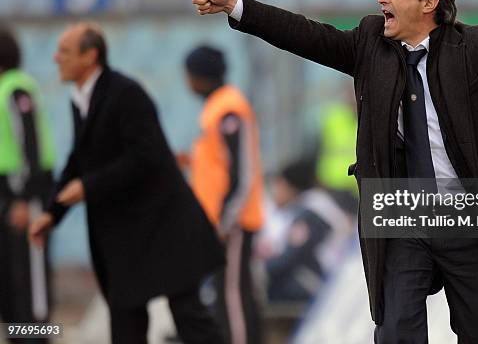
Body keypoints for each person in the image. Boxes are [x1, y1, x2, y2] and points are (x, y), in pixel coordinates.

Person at [181, 0, 478, 343]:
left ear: (429, 2)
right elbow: (302, 33)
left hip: (470, 218)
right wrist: (235, 4)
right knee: (396, 331)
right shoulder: (368, 43)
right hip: (403, 217)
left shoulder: (472, 47)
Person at [28, 23, 225, 344]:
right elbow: (78, 161)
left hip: (163, 226)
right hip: (124, 236)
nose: (55, 58)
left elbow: (146, 157)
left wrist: (89, 187)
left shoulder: (125, 93)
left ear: (90, 56)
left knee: (189, 316)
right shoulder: (81, 98)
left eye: (64, 52)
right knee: (126, 321)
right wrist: (53, 213)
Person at [181, 45, 264, 344]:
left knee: (232, 296)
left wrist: (225, 222)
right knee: (230, 293)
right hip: (223, 222)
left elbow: (242, 173)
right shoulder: (217, 106)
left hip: (234, 223)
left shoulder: (229, 108)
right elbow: (218, 163)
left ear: (200, 76)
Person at [0, 27, 55, 341]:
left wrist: (25, 198)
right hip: (8, 193)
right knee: (11, 280)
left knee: (31, 286)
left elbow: (29, 144)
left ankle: (36, 336)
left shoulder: (16, 89)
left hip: (26, 194)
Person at [267, 159, 353, 303]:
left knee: (272, 286)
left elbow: (290, 258)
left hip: (327, 286)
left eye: (279, 185)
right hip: (339, 281)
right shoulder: (321, 204)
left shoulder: (312, 212)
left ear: (290, 186)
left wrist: (261, 271)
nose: (276, 192)